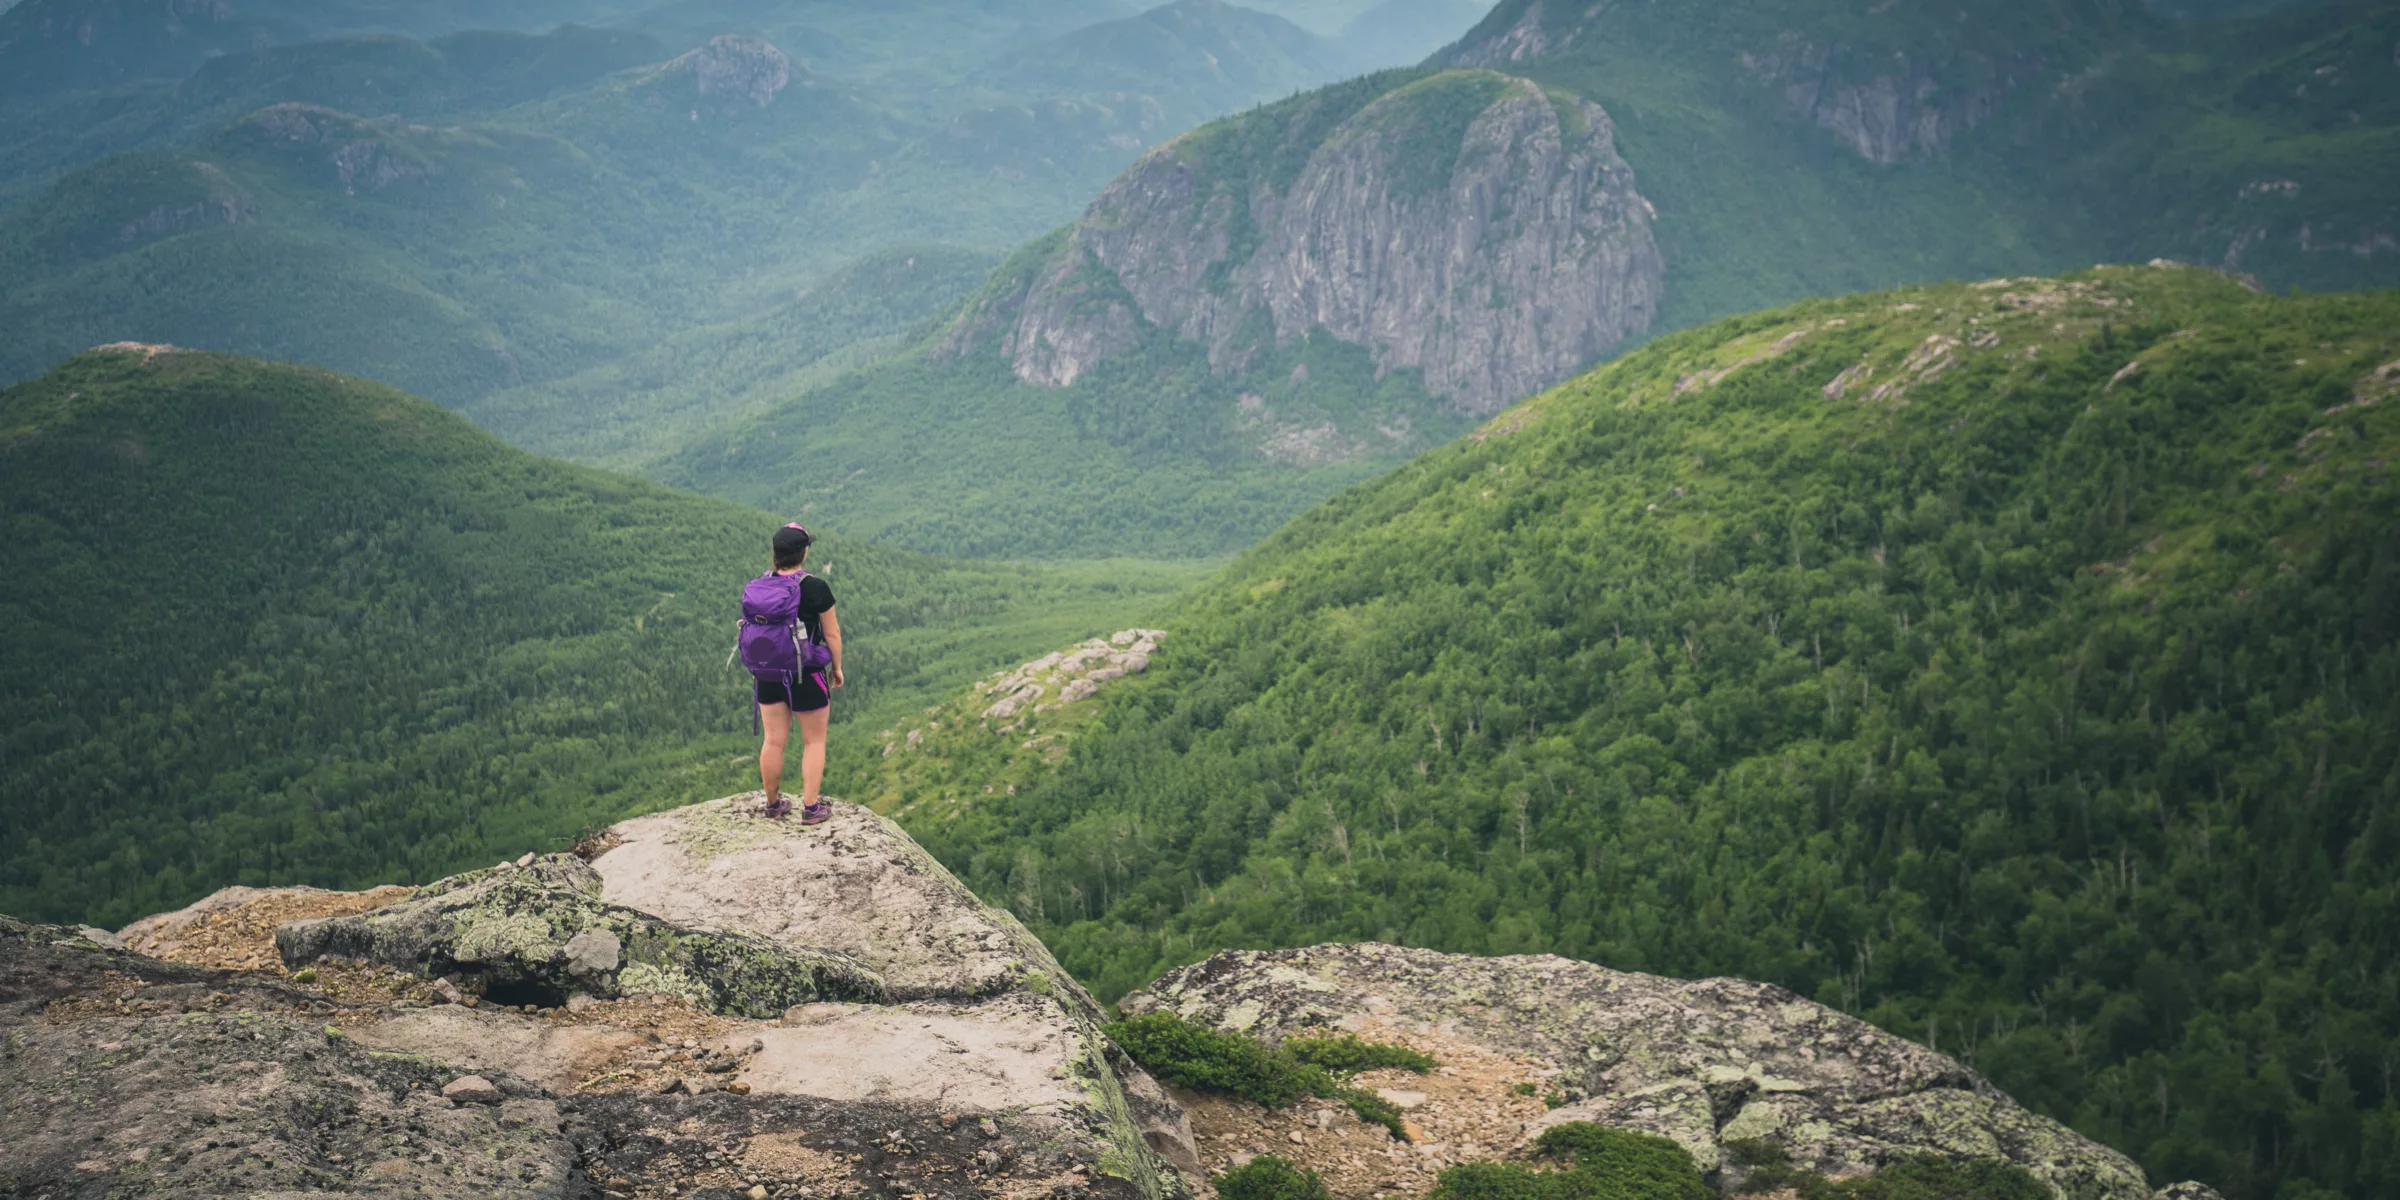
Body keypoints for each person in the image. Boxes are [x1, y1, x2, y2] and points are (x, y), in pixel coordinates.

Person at [755, 523, 843, 822]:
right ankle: (810, 808)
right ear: (803, 553)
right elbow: (832, 635)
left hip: (768, 674)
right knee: (814, 741)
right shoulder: (815, 588)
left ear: (776, 553)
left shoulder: (761, 585)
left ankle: (772, 804)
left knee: (773, 740)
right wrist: (837, 668)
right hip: (806, 673)